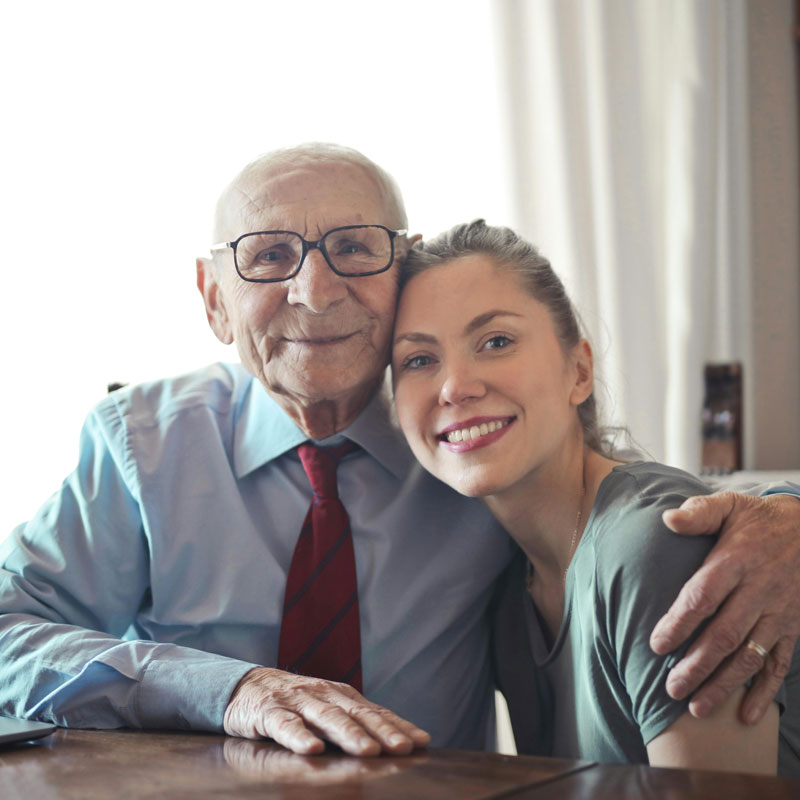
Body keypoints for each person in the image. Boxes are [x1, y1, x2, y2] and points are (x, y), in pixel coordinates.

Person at [1, 145, 798, 758]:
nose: (315, 291)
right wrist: (228, 690)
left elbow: (639, 512)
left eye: (353, 247)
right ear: (214, 300)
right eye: (269, 256)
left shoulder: (468, 446)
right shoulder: (143, 445)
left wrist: (786, 515)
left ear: (397, 275)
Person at [391, 219, 800, 774]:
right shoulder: (508, 590)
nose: (455, 385)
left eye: (496, 342)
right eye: (418, 359)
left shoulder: (654, 545)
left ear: (578, 371)